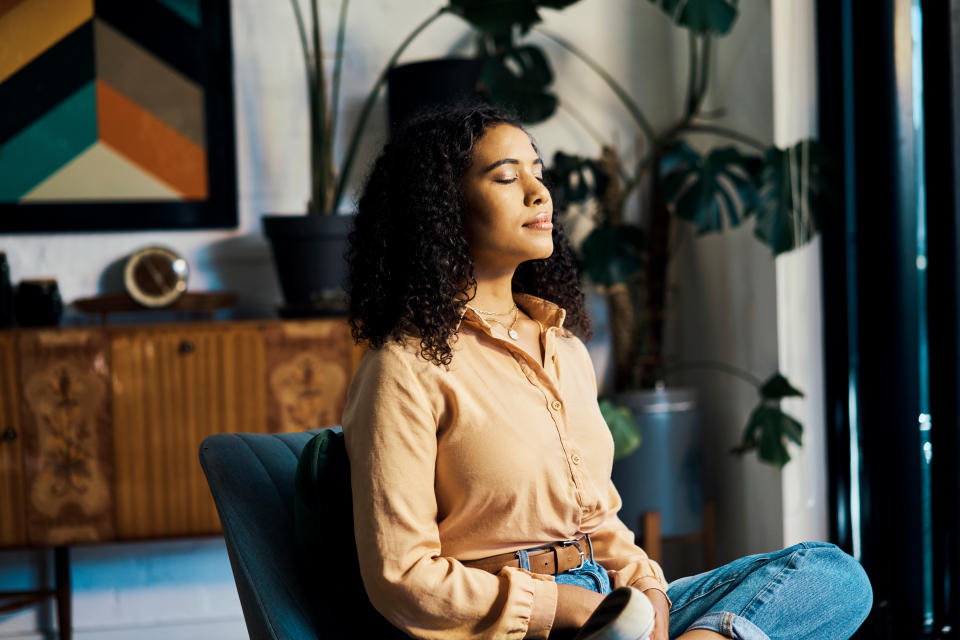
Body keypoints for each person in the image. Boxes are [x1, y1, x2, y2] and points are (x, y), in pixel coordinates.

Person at [341, 104, 873, 640]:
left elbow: (597, 522)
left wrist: (650, 591)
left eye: (538, 173)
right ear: (441, 208)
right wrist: (564, 607)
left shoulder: (565, 349)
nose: (538, 193)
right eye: (507, 177)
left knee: (833, 577)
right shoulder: (403, 367)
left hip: (611, 603)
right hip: (512, 625)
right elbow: (402, 577)